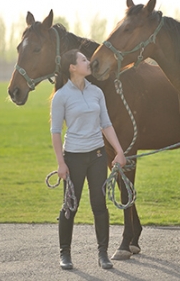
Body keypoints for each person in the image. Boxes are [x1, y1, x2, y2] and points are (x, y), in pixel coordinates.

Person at [50, 48, 126, 270]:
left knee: (99, 206)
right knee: (69, 206)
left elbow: (106, 124)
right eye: (83, 60)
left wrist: (119, 151)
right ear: (73, 67)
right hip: (73, 158)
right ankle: (65, 254)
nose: (89, 61)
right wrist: (61, 163)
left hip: (97, 156)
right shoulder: (61, 96)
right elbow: (55, 132)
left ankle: (103, 254)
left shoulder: (96, 93)